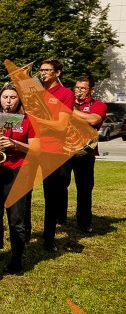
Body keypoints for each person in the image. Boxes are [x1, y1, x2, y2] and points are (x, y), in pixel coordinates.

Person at [0, 83, 38, 273]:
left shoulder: (28, 121)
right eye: (5, 97)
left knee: (16, 219)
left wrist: (15, 144)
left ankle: (16, 258)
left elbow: (36, 149)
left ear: (19, 100)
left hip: (19, 171)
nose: (8, 101)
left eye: (12, 97)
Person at [31, 58, 75, 252]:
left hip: (52, 149)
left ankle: (49, 238)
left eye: (48, 70)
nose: (43, 73)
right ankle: (23, 232)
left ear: (58, 73)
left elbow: (61, 125)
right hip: (30, 146)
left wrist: (39, 120)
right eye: (41, 70)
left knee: (51, 195)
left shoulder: (66, 94)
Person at [70, 76, 107, 233]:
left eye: (82, 88)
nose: (78, 91)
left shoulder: (98, 105)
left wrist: (70, 110)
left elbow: (93, 120)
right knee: (59, 185)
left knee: (84, 188)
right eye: (77, 88)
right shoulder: (68, 101)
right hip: (65, 149)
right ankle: (59, 218)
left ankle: (84, 222)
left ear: (91, 90)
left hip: (86, 152)